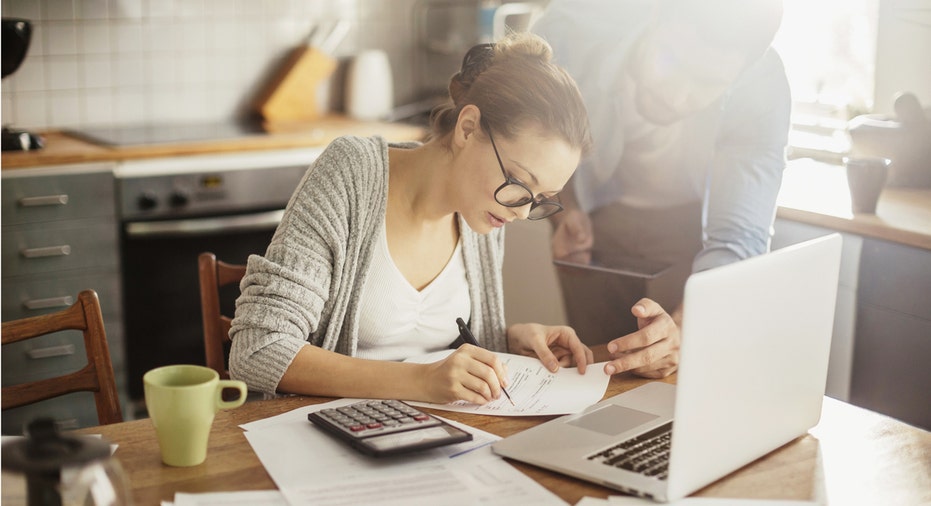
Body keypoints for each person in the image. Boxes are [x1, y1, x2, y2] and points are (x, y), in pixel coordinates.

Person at [228, 32, 595, 404]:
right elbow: (258, 350)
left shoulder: (486, 212)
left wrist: (511, 339)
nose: (521, 211)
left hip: (435, 438)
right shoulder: (352, 174)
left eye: (541, 199)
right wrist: (419, 381)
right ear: (467, 128)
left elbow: (449, 347)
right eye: (518, 183)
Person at [533, 0, 791, 378]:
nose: (675, 94)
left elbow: (738, 238)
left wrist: (684, 334)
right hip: (595, 215)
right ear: (654, 14)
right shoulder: (570, 32)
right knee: (592, 373)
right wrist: (564, 206)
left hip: (691, 235)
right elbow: (531, 133)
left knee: (677, 373)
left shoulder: (762, 87)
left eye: (706, 84)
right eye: (671, 61)